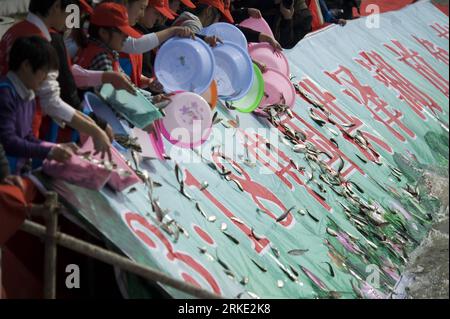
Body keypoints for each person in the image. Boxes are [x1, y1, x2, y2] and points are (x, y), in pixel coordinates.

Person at [0, 0, 136, 159]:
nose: (73, 19)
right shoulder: (41, 42)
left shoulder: (15, 29)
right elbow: (52, 102)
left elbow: (65, 74)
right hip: (24, 132)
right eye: (71, 11)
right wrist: (94, 128)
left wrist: (106, 77)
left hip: (23, 132)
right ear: (56, 6)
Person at [0, 37, 78, 174]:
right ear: (26, 66)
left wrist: (57, 148)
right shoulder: (5, 93)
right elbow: (9, 142)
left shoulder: (29, 96)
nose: (45, 77)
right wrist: (49, 151)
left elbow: (27, 136)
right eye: (44, 71)